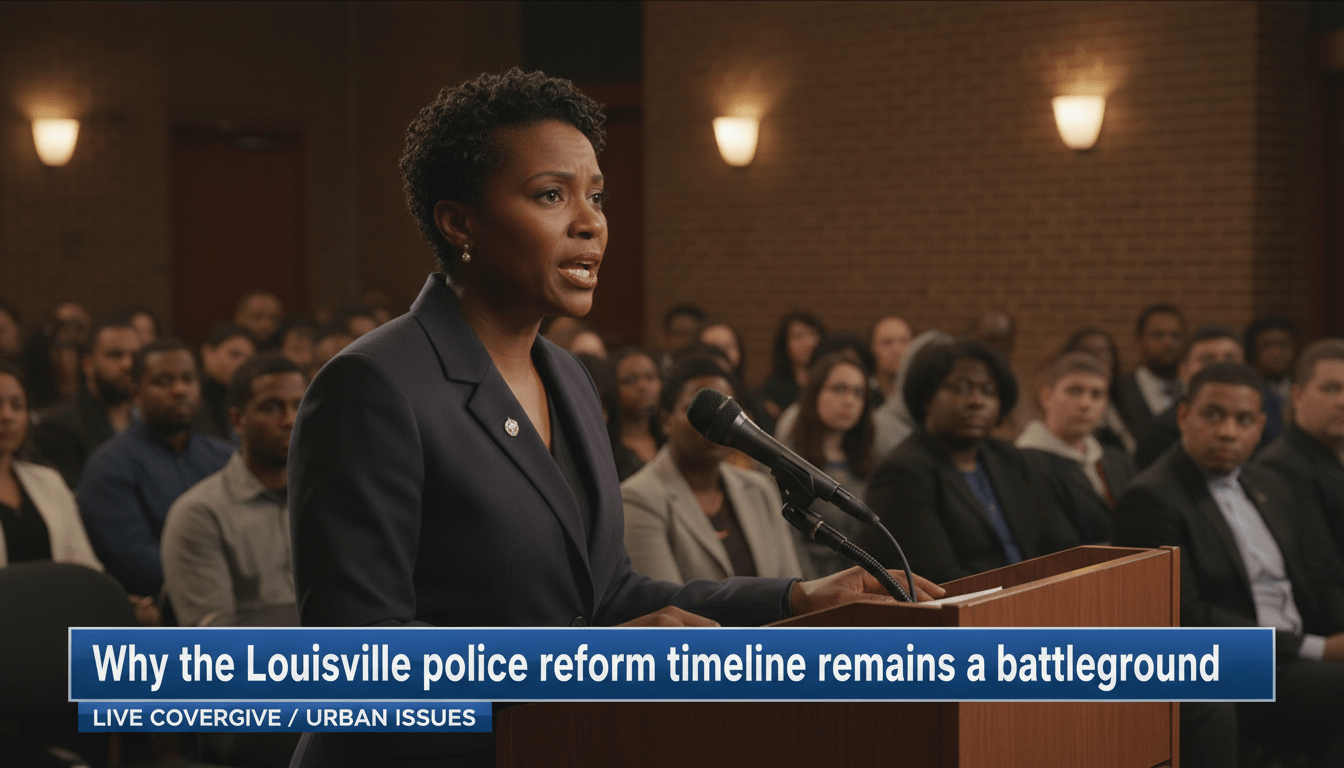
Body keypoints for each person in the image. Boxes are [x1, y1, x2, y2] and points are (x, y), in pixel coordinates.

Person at [287, 69, 940, 767]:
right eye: (550, 196)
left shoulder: (566, 377)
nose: (590, 222)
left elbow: (609, 596)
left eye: (596, 196)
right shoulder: (374, 386)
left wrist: (794, 600)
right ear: (458, 222)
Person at [1113, 362, 1344, 764]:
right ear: (1184, 416)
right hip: (1230, 661)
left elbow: (1309, 578)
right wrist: (1317, 648)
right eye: (1213, 415)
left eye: (1243, 420)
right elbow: (1183, 615)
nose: (1227, 432)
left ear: (1260, 427)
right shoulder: (1151, 498)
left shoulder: (1265, 482)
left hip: (1293, 650)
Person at [865, 339, 1079, 583]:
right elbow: (937, 579)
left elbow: (1063, 546)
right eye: (961, 388)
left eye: (988, 391)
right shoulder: (901, 474)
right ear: (927, 398)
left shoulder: (1013, 459)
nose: (977, 401)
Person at [622, 356, 803, 583]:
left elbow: (794, 588)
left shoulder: (759, 488)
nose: (715, 424)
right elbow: (667, 605)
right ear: (665, 420)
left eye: (725, 413)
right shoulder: (637, 499)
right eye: (698, 412)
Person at [77, 339, 233, 601]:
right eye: (163, 381)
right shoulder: (109, 466)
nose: (180, 390)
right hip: (162, 608)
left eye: (188, 379)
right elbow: (137, 565)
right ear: (135, 392)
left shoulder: (224, 456)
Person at [162, 352, 304, 628]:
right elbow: (213, 637)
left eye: (300, 405)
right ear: (238, 421)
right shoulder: (200, 512)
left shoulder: (332, 499)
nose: (290, 420)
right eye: (272, 408)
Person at [778, 350, 879, 578]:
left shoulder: (869, 459)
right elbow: (788, 544)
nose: (849, 400)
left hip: (867, 583)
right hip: (812, 585)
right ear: (815, 394)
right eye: (839, 389)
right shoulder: (787, 458)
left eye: (858, 392)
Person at [1016, 352, 1134, 544]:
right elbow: (1059, 544)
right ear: (1046, 397)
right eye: (1074, 391)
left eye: (1096, 394)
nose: (1085, 404)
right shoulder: (1025, 462)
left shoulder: (1115, 459)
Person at [1133, 325, 1283, 470]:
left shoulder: (1269, 418)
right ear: (1183, 371)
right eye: (1208, 360)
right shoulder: (1158, 433)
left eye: (1230, 360)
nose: (1221, 368)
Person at [0, 360, 101, 570]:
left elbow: (85, 566)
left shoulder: (49, 481)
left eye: (17, 406)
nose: (7, 416)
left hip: (58, 601)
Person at [1257, 339, 1344, 559]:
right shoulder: (1279, 466)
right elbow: (1320, 571)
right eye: (1332, 389)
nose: (1342, 401)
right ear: (1297, 396)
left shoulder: (1334, 453)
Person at [30, 318, 142, 488]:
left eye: (134, 356)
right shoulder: (58, 426)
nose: (127, 364)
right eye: (115, 355)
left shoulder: (150, 418)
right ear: (88, 364)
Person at [1060, 327, 1134, 455]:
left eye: (1105, 353)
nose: (1098, 359)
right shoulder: (1065, 403)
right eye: (1089, 352)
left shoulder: (1126, 397)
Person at [1113, 304, 1185, 434]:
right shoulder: (1119, 390)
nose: (1168, 343)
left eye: (1175, 335)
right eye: (1158, 335)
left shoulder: (1191, 388)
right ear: (1140, 340)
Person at [759, 311, 825, 424]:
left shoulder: (828, 380)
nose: (807, 343)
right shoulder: (774, 388)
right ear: (784, 344)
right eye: (798, 336)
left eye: (812, 334)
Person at [194, 324, 257, 442]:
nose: (242, 364)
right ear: (207, 352)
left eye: (249, 359)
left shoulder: (243, 400)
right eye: (235, 354)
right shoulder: (192, 397)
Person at [610, 347, 662, 470]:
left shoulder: (671, 438)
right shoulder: (606, 446)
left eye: (650, 377)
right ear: (613, 388)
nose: (642, 386)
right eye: (630, 381)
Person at [1245, 316, 1297, 402]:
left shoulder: (1306, 388)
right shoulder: (1247, 391)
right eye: (1266, 346)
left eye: (1283, 345)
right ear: (1253, 352)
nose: (1275, 353)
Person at [870, 315, 913, 405]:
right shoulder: (863, 395)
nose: (897, 350)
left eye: (904, 341)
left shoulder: (923, 398)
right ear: (873, 348)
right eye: (887, 342)